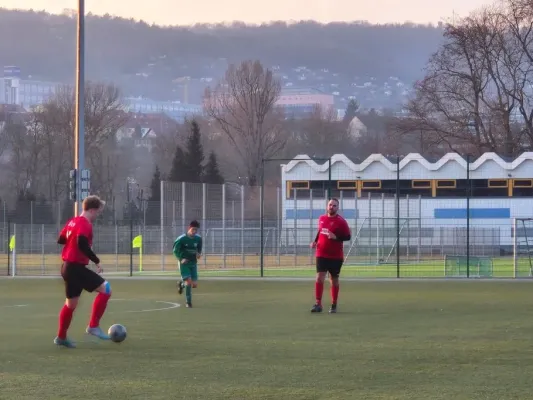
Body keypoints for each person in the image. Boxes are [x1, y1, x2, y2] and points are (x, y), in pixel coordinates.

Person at [54, 195, 112, 348]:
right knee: (106, 289)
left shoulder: (72, 221)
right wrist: (96, 260)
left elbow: (60, 239)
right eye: (98, 212)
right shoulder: (85, 223)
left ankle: (61, 337)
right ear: (92, 210)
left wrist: (71, 242)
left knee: (70, 305)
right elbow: (81, 242)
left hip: (67, 267)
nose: (98, 215)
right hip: (75, 268)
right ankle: (93, 326)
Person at [310, 198, 351, 313]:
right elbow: (320, 231)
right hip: (321, 253)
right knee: (319, 277)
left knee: (334, 280)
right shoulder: (321, 218)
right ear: (327, 206)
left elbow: (348, 237)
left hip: (335, 256)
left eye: (334, 205)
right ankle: (318, 304)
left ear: (337, 208)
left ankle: (334, 304)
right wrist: (315, 241)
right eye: (330, 205)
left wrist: (336, 237)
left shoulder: (341, 222)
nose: (331, 207)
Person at [173, 220, 203, 308]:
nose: (194, 232)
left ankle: (181, 284)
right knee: (189, 282)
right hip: (184, 263)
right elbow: (175, 250)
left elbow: (199, 249)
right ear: (189, 228)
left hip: (193, 263)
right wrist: (180, 259)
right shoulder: (181, 238)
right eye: (193, 229)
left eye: (196, 230)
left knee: (194, 285)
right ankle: (188, 302)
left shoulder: (198, 238)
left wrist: (198, 254)